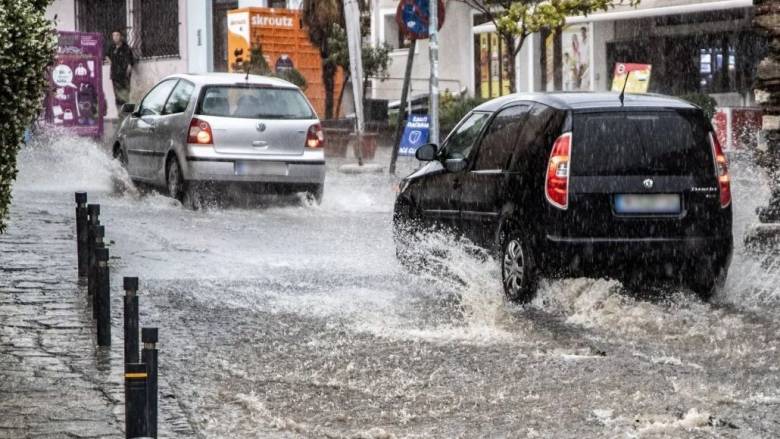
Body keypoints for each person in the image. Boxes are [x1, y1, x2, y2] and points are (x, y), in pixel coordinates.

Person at [106, 30, 135, 115]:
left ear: (121, 36)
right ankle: (120, 115)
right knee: (117, 97)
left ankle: (128, 116)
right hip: (115, 76)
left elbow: (130, 63)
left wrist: (127, 73)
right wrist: (110, 62)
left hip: (124, 76)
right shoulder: (112, 47)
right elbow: (106, 55)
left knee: (126, 96)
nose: (115, 37)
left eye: (117, 35)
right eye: (113, 35)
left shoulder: (126, 48)